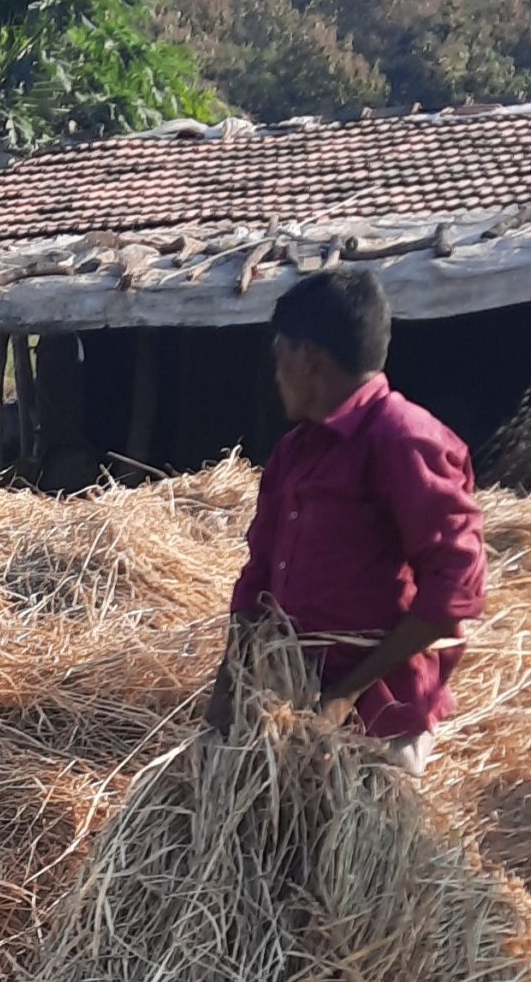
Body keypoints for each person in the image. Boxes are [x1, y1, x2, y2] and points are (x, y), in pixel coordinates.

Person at [207, 270, 485, 774]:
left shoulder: (403, 440)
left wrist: (344, 696)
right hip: (293, 711)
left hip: (380, 724)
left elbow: (453, 597)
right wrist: (227, 690)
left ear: (307, 358)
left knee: (363, 850)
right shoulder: (295, 452)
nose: (276, 373)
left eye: (279, 355)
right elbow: (258, 577)